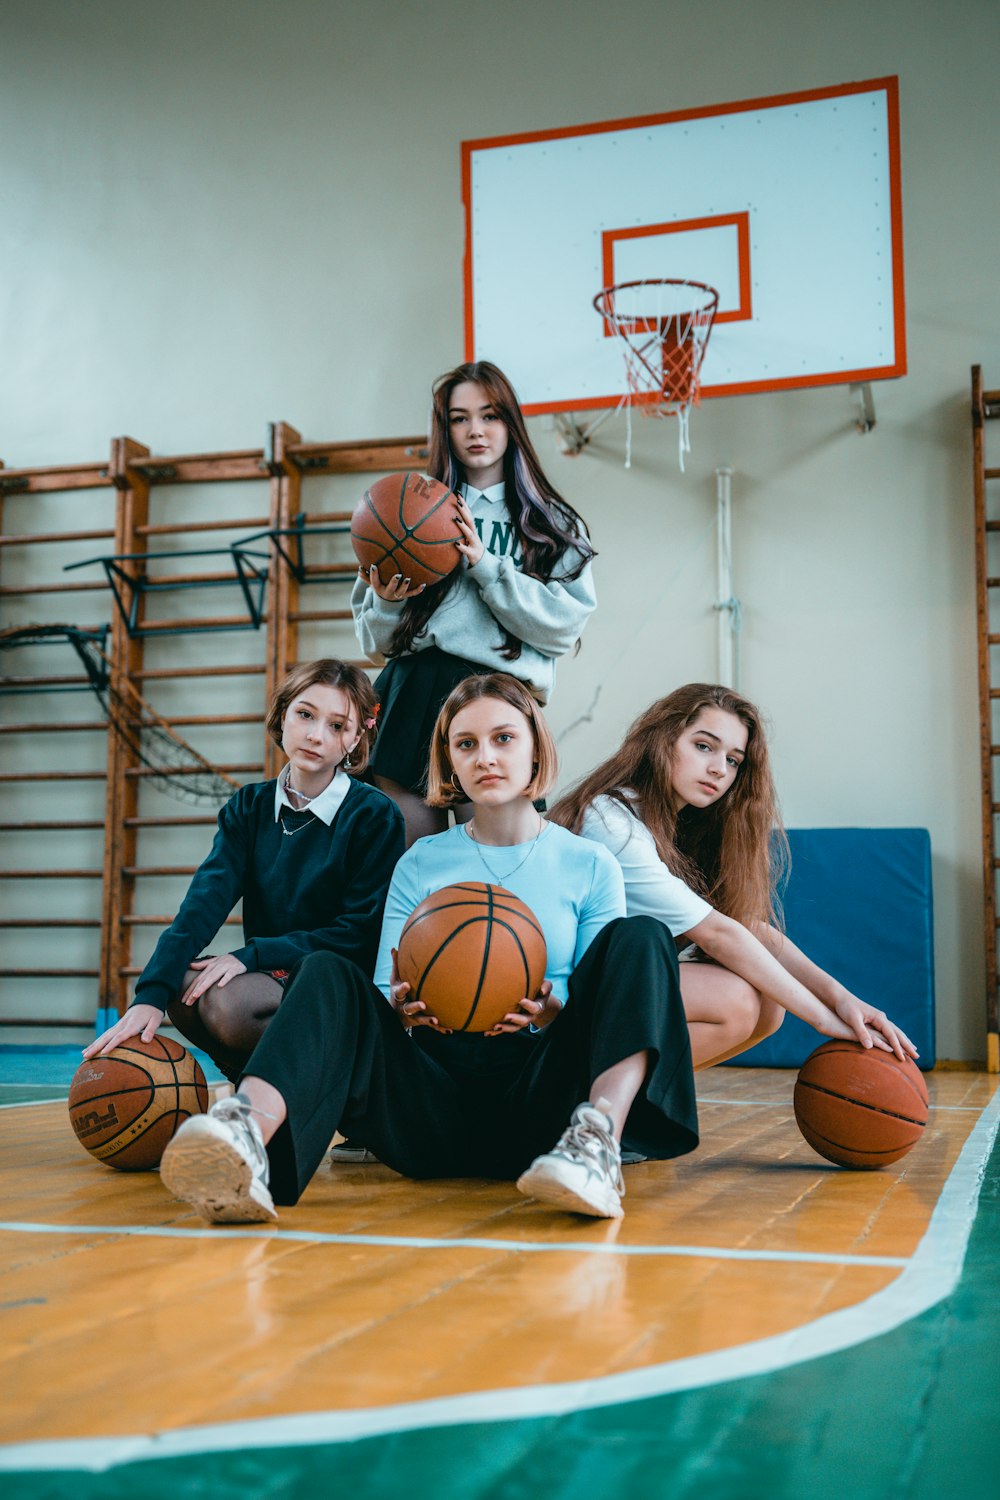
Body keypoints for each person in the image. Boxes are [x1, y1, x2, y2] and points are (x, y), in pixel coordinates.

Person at [158, 673, 698, 1224]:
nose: (485, 756)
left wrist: (553, 1010)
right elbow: (378, 991)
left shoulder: (589, 863)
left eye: (503, 738)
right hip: (426, 1108)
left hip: (544, 1108)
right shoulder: (420, 861)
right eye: (466, 744)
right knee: (324, 969)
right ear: (450, 763)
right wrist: (400, 1008)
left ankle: (596, 1143)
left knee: (642, 935)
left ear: (537, 748)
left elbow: (599, 999)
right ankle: (246, 1138)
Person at [549, 683, 918, 1070]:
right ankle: (582, 1092)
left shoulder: (682, 825)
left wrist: (843, 999)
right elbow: (717, 934)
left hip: (609, 984)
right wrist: (825, 1021)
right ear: (663, 739)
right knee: (734, 1000)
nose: (718, 769)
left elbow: (749, 929)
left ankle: (630, 1102)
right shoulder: (611, 820)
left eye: (734, 760)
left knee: (770, 1003)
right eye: (704, 746)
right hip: (559, 997)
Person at [83, 659, 405, 1080]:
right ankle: (264, 1095)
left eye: (337, 726)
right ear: (284, 712)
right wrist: (149, 996)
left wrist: (250, 955)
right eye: (305, 715)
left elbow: (358, 933)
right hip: (271, 975)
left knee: (230, 1007)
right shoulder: (248, 807)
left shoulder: (375, 815)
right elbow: (202, 906)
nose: (315, 735)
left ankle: (339, 1087)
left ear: (358, 736)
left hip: (333, 979)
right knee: (181, 986)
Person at [352, 360, 596, 843]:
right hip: (412, 688)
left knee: (496, 871)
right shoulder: (406, 508)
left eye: (489, 415)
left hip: (497, 696)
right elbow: (373, 643)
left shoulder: (551, 522)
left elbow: (564, 627)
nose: (475, 431)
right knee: (406, 866)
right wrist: (386, 603)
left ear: (512, 424)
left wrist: (487, 566)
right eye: (459, 419)